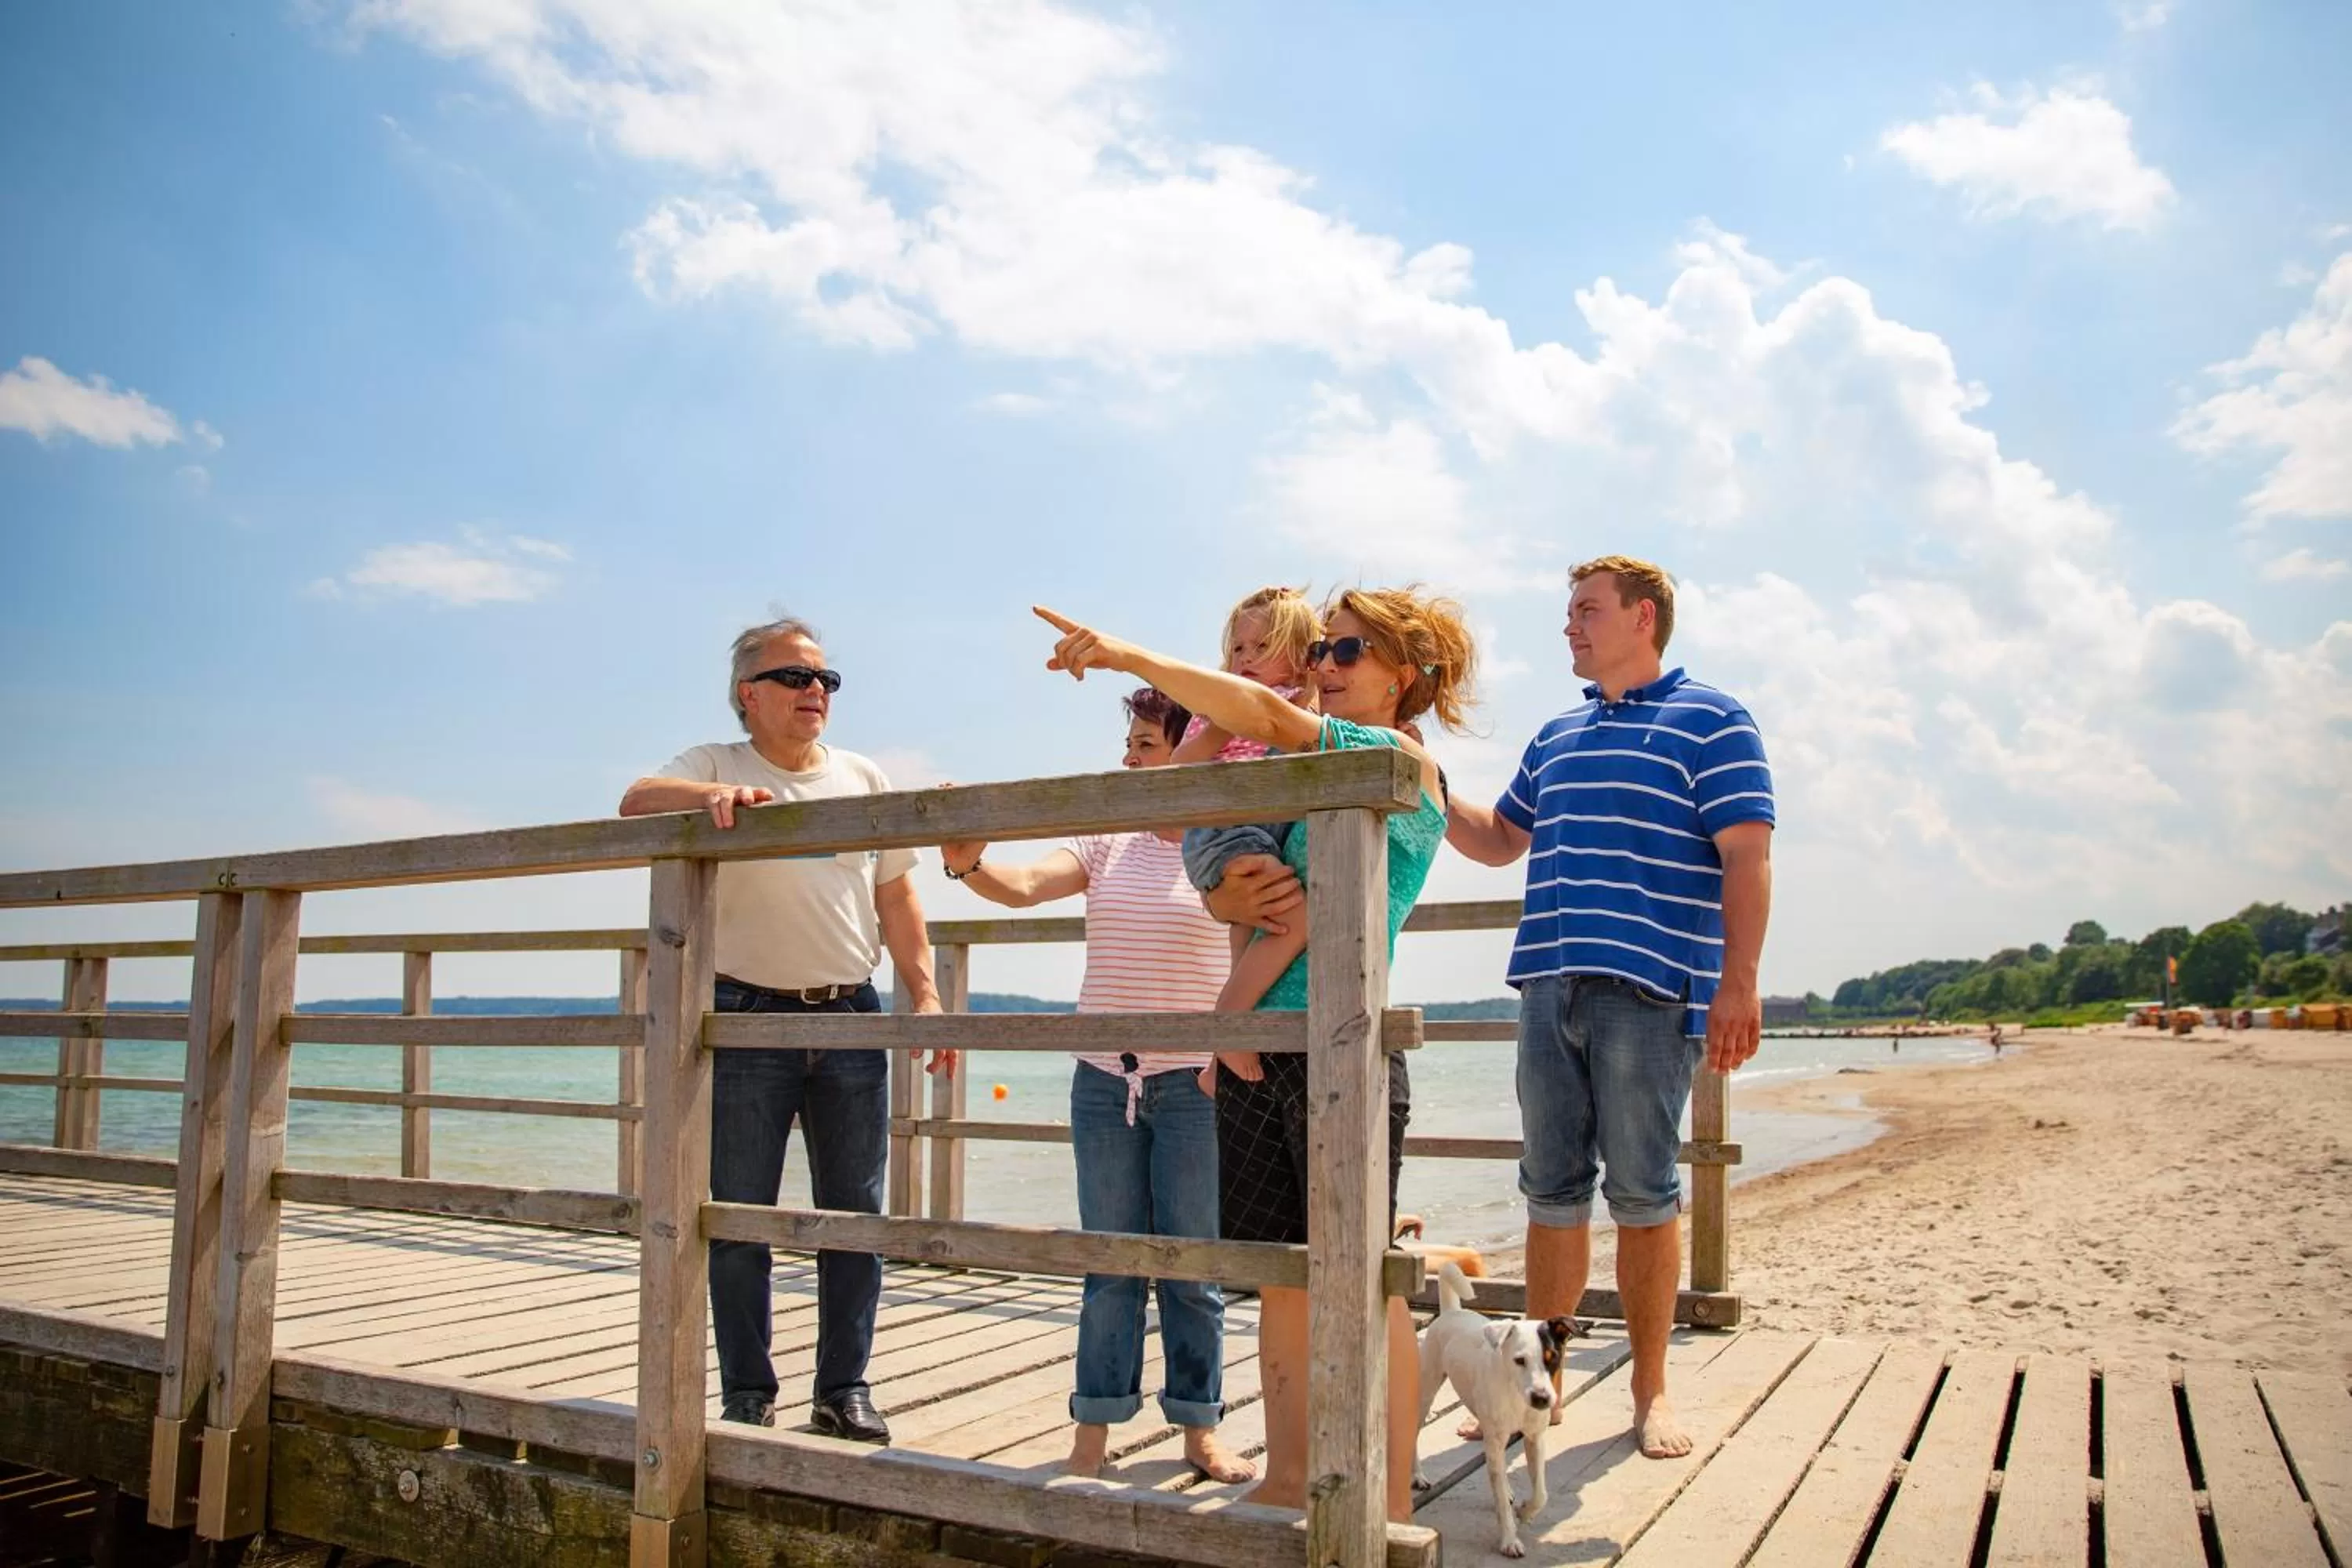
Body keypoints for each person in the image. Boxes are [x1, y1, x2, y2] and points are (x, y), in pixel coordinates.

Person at [1033, 589, 1477, 1522]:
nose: (1326, 662)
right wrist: (1227, 918)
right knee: (1281, 1271)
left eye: (1348, 649)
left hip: (1342, 1046)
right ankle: (1286, 1470)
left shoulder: (1392, 755)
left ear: (1404, 674)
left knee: (1368, 1279)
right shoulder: (1300, 767)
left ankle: (1388, 1489)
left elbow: (1266, 713)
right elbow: (1236, 875)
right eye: (1322, 647)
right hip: (1260, 1046)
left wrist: (1126, 654)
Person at [1446, 555, 1774, 1461]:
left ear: (1644, 617)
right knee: (1550, 1194)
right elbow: (1500, 840)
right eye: (1569, 612)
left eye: (1587, 610)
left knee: (1641, 1194)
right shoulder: (1555, 735)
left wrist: (1737, 983)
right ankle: (1532, 1393)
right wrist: (1426, 778)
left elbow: (1747, 858)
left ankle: (1651, 1389)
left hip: (1651, 991)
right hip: (1547, 984)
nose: (1570, 626)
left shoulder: (1715, 719)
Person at [618, 615, 953, 1443]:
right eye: (798, 678)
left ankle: (844, 1388)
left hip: (849, 1012)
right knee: (738, 1216)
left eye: (826, 680)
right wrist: (710, 800)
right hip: (744, 1016)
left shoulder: (862, 775)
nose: (817, 692)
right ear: (749, 694)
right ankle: (746, 1392)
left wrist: (925, 990)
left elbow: (897, 894)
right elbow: (633, 803)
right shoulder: (715, 762)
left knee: (855, 1214)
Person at [933, 688, 1255, 1485]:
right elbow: (1023, 885)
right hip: (1104, 1080)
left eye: (1145, 745)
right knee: (1108, 1264)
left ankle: (1199, 1429)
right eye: (1131, 743)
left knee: (1193, 1268)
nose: (1128, 760)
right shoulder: (1108, 835)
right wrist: (966, 858)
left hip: (1196, 1082)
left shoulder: (1230, 842)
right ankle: (1092, 1434)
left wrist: (1231, 1046)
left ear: (1193, 749)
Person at [1173, 587, 1322, 995]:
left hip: (1271, 829)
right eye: (1238, 648)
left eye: (1263, 646)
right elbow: (1179, 767)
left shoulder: (1305, 707)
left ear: (1299, 656)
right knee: (1278, 903)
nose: (1247, 658)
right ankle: (1236, 1015)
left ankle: (1240, 1014)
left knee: (1258, 916)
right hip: (1222, 833)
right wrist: (1220, 729)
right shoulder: (1216, 707)